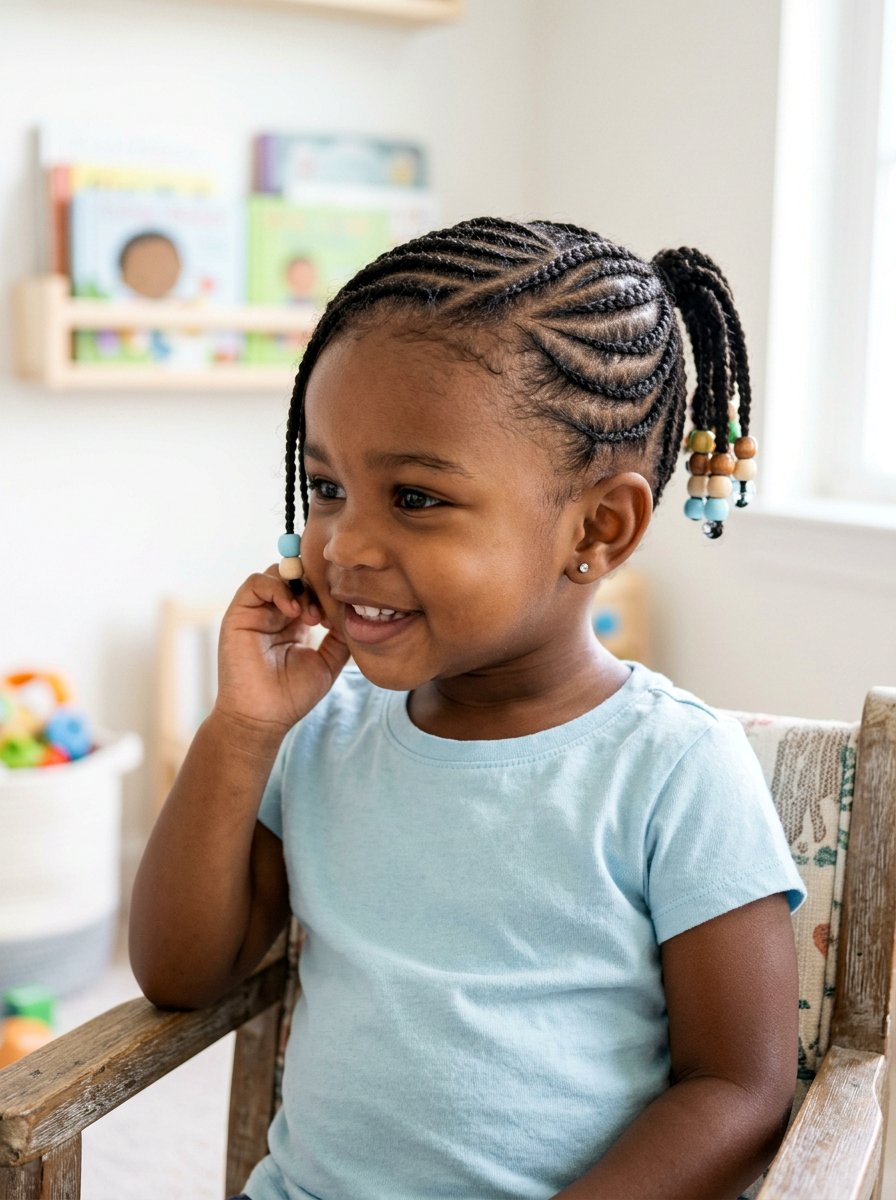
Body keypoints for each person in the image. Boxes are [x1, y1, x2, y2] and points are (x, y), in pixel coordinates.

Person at [129, 217, 805, 1200]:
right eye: (326, 487)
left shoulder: (673, 767)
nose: (344, 545)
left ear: (597, 528)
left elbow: (738, 1090)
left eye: (414, 498)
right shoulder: (323, 733)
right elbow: (179, 974)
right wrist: (241, 730)